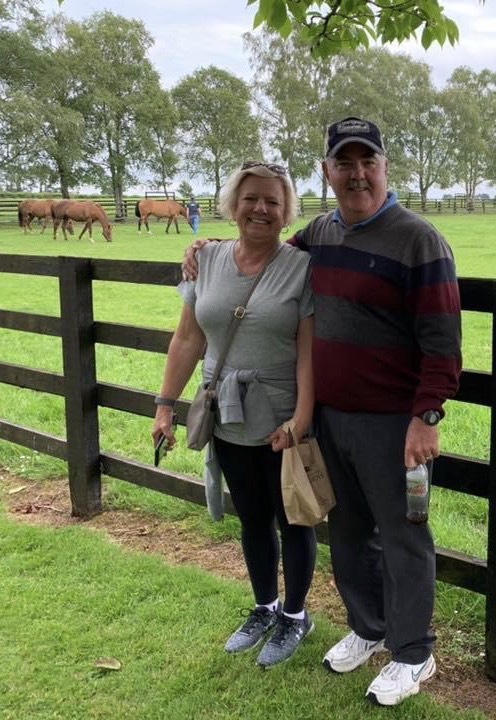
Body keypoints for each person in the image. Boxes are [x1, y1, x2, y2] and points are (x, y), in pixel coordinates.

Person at [183, 117, 462, 706]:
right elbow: (264, 252)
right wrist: (208, 249)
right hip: (331, 418)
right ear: (327, 171)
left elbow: (442, 339)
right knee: (351, 531)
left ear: (386, 167)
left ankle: (413, 653)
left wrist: (426, 416)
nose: (357, 173)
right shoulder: (320, 234)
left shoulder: (419, 240)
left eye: (368, 161)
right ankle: (369, 628)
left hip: (394, 421)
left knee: (405, 536)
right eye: (344, 162)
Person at [154, 161, 317, 669]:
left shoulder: (303, 268)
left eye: (273, 201)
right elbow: (188, 337)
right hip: (224, 413)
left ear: (287, 211)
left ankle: (295, 616)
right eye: (251, 198)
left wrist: (301, 421)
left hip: (280, 420)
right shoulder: (207, 259)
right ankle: (264, 607)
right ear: (233, 204)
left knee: (293, 520)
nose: (261, 209)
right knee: (251, 518)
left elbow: (311, 353)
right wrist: (164, 404)